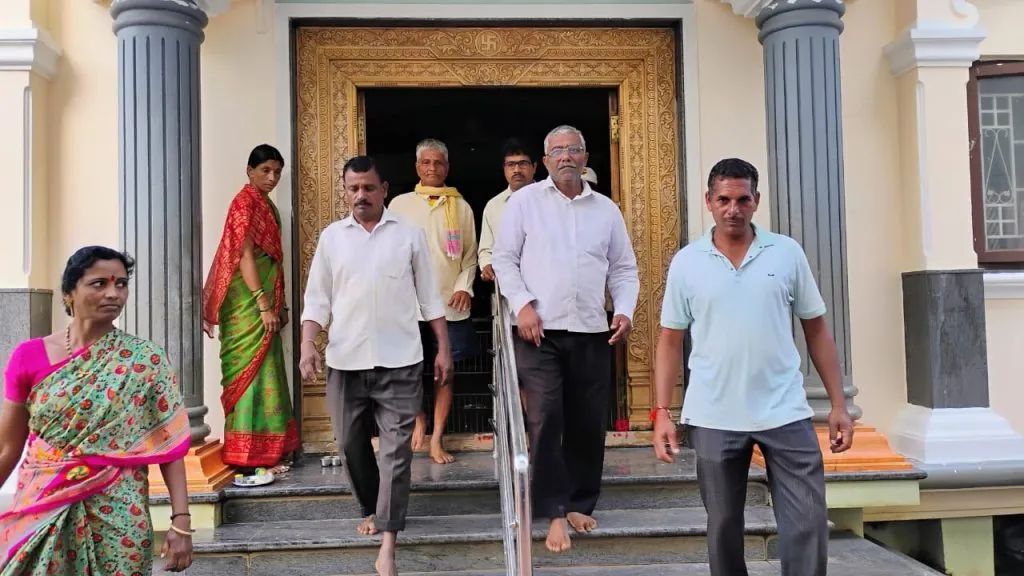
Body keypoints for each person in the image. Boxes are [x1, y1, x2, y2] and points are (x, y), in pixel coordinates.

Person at [652, 158, 855, 576]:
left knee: (807, 524)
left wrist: (839, 404)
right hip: (713, 414)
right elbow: (669, 341)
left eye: (743, 199)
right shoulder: (687, 262)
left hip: (785, 411)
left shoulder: (785, 252)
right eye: (723, 199)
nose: (733, 209)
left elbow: (817, 331)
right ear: (708, 201)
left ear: (756, 201)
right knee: (724, 527)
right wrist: (661, 414)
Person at [299, 155, 453, 576]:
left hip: (400, 361)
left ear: (385, 189)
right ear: (345, 191)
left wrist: (443, 347)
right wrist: (308, 344)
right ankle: (372, 505)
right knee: (350, 444)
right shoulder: (333, 238)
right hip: (346, 362)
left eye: (368, 188)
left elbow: (430, 298)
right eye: (353, 189)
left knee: (396, 451)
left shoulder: (409, 235)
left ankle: (388, 542)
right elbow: (317, 299)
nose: (360, 196)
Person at [0, 246, 195, 574]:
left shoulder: (145, 360)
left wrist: (182, 520)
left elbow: (169, 444)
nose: (113, 293)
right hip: (41, 503)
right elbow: (8, 446)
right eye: (99, 283)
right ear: (69, 292)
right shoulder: (28, 357)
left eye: (121, 283)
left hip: (119, 511)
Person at [492, 125, 639, 553]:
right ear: (545, 160)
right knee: (546, 416)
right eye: (557, 151)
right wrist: (521, 304)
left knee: (588, 419)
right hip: (539, 331)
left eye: (573, 150)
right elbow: (504, 259)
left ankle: (579, 501)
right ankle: (554, 511)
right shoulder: (524, 203)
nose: (566, 157)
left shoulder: (606, 209)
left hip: (593, 329)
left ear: (586, 156)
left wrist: (624, 310)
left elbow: (623, 268)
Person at [202, 144, 299, 473]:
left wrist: (279, 304)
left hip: (263, 301)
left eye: (277, 171)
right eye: (266, 171)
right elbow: (244, 255)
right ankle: (245, 455)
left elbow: (272, 259)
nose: (272, 178)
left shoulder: (266, 205)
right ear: (249, 170)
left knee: (268, 370)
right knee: (247, 374)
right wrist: (262, 304)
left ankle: (267, 451)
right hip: (246, 305)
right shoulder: (244, 203)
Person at [388, 138, 478, 465]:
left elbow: (470, 258)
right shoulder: (399, 206)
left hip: (448, 307)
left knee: (445, 375)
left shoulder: (462, 207)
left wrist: (465, 287)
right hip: (408, 307)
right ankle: (419, 420)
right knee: (407, 371)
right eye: (425, 163)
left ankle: (437, 438)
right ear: (416, 167)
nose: (431, 169)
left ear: (447, 168)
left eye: (438, 163)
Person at [478, 138, 537, 283]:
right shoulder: (494, 206)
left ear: (534, 166)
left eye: (523, 163)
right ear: (504, 168)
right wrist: (486, 265)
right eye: (511, 164)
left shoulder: (550, 200)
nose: (517, 170)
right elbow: (486, 250)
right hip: (508, 288)